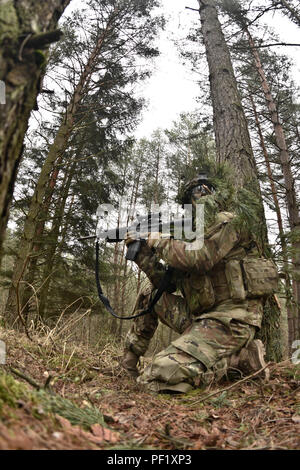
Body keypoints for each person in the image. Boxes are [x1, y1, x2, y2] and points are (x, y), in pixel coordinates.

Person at [122, 172, 278, 393]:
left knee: (159, 373)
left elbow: (199, 258)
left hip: (231, 320)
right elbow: (166, 285)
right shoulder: (189, 237)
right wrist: (142, 254)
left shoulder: (228, 221)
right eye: (193, 195)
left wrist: (156, 240)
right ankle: (127, 365)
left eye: (204, 191)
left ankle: (236, 363)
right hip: (199, 318)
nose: (198, 198)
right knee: (151, 296)